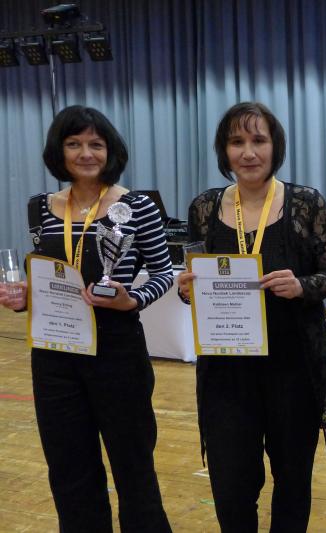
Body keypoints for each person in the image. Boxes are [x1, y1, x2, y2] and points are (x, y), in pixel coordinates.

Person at [0, 105, 173, 532]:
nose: (85, 153)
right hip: (55, 352)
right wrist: (25, 297)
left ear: (110, 150)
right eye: (74, 143)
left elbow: (165, 272)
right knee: (69, 470)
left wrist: (132, 300)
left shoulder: (137, 206)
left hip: (117, 350)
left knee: (133, 468)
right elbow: (50, 276)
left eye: (96, 144)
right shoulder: (40, 207)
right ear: (58, 152)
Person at [175, 102, 326, 532]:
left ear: (275, 146)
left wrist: (301, 285)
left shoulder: (306, 203)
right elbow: (195, 279)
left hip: (293, 366)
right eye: (237, 142)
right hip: (226, 371)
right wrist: (187, 290)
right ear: (224, 150)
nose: (248, 152)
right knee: (231, 485)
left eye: (258, 140)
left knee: (292, 481)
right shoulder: (203, 207)